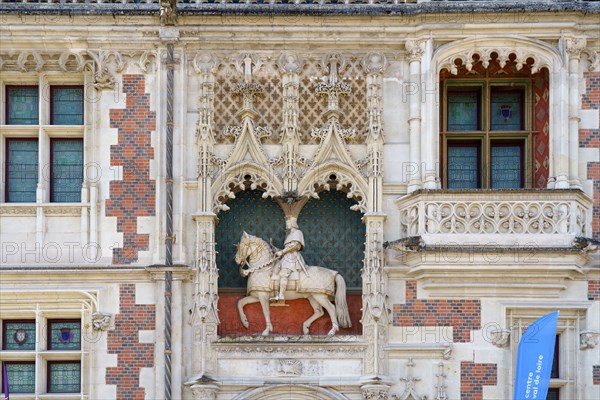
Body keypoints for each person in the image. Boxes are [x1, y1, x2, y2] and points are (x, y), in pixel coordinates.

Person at [272, 216, 309, 301]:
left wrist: (282, 252)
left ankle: (281, 295)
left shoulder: (298, 232)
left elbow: (296, 245)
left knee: (283, 273)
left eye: (288, 223)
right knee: (274, 270)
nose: (287, 225)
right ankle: (275, 293)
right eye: (286, 223)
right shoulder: (289, 234)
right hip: (286, 257)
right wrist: (279, 251)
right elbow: (287, 247)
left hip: (293, 258)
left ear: (293, 224)